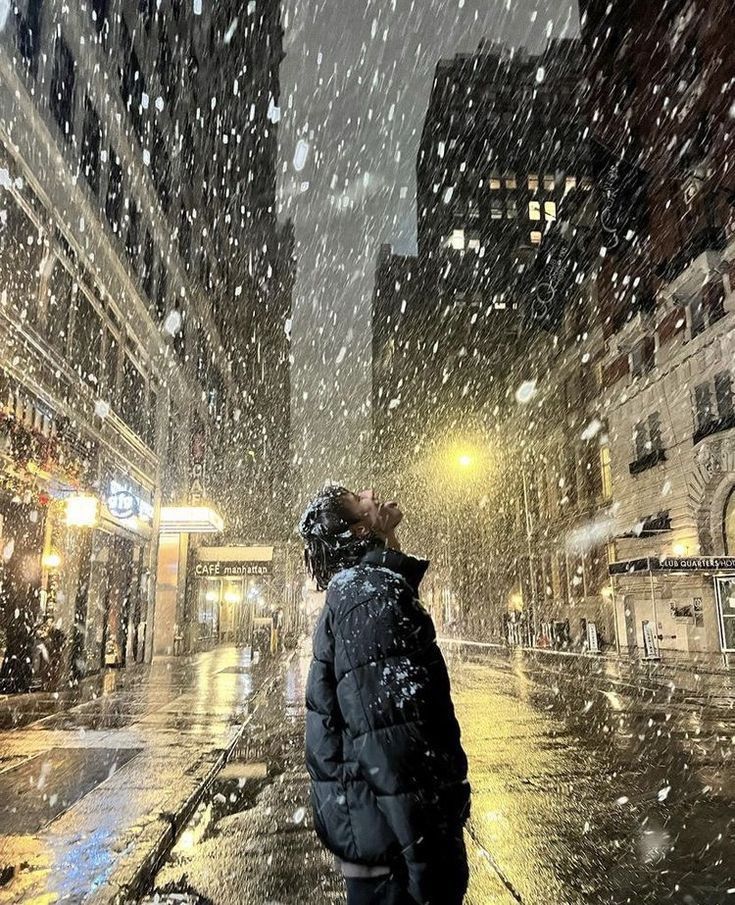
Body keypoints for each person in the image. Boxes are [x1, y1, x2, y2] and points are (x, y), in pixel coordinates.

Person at [299, 484, 470, 905]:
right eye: (361, 501)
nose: (372, 492)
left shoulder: (365, 589)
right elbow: (395, 746)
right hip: (393, 856)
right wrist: (428, 864)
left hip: (378, 839)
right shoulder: (371, 595)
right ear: (361, 532)